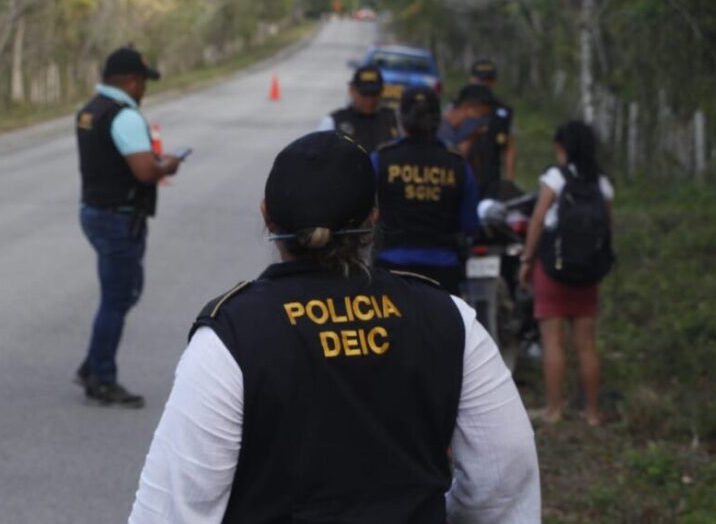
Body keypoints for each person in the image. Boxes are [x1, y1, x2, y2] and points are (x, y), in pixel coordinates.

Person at [129, 131, 540, 523]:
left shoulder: (232, 337)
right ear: (374, 218)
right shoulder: (449, 318)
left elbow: (171, 508)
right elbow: (504, 471)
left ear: (268, 218)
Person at [74, 47, 182, 408]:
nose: (144, 91)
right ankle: (100, 377)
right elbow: (144, 171)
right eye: (143, 83)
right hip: (118, 218)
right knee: (119, 297)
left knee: (122, 293)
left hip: (94, 210)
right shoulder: (125, 116)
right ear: (132, 81)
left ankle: (93, 362)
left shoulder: (90, 111)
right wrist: (167, 164)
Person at [518, 121, 614, 426]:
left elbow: (536, 221)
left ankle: (555, 410)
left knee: (553, 342)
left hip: (553, 270)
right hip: (588, 273)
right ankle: (592, 413)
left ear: (563, 148)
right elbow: (606, 229)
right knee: (586, 344)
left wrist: (527, 260)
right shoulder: (602, 184)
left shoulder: (555, 179)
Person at [371, 86, 480, 296]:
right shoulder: (457, 164)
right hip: (443, 270)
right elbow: (470, 225)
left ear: (401, 118)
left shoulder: (382, 159)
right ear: (438, 119)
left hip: (391, 266)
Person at [317, 65, 401, 152]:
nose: (370, 100)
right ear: (351, 90)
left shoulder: (394, 119)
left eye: (374, 94)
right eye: (364, 94)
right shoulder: (333, 121)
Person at [466, 59, 518, 199]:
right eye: (480, 79)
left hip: (491, 176)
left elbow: (510, 146)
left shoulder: (502, 111)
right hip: (463, 174)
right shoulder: (458, 108)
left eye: (488, 80)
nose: (484, 84)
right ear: (471, 79)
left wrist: (509, 179)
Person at [436, 84, 495, 158]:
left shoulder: (457, 132)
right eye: (483, 116)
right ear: (468, 108)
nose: (485, 127)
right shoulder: (439, 131)